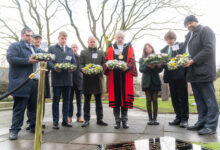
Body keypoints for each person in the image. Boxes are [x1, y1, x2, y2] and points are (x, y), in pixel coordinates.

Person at [183, 15, 219, 135]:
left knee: (209, 100)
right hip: (193, 74)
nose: (189, 25)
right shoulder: (189, 36)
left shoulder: (205, 30)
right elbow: (188, 52)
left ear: (196, 21)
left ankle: (211, 126)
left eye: (191, 22)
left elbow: (209, 48)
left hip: (204, 72)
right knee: (199, 100)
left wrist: (193, 60)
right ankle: (202, 122)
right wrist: (182, 58)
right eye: (187, 24)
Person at [7, 27, 39, 140]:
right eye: (27, 35)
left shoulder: (34, 48)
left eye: (31, 36)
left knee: (33, 107)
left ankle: (34, 127)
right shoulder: (15, 46)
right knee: (19, 108)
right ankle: (14, 130)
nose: (30, 38)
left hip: (35, 82)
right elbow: (11, 58)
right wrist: (28, 60)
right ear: (22, 35)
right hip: (21, 83)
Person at [104, 31, 137, 129]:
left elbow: (132, 60)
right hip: (115, 77)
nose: (120, 39)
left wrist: (127, 67)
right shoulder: (111, 47)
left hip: (125, 76)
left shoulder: (129, 47)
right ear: (115, 38)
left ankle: (125, 121)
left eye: (122, 37)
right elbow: (107, 60)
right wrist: (110, 65)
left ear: (124, 38)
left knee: (125, 99)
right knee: (116, 100)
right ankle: (117, 121)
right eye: (118, 37)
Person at [48, 31, 76, 129]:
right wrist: (54, 68)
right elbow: (48, 61)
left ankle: (65, 120)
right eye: (62, 38)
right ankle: (55, 121)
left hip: (68, 79)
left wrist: (71, 68)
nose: (63, 40)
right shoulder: (52, 48)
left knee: (67, 101)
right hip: (57, 79)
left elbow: (74, 63)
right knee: (56, 101)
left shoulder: (70, 50)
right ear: (58, 38)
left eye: (65, 39)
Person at [161, 31, 189, 128]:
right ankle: (178, 117)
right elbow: (163, 64)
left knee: (183, 97)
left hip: (180, 75)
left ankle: (184, 119)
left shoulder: (181, 46)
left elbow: (185, 57)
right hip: (170, 76)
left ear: (174, 39)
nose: (169, 41)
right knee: (174, 97)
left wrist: (179, 57)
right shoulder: (163, 50)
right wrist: (162, 64)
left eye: (171, 39)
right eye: (167, 39)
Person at [79, 36, 108, 127]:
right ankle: (86, 120)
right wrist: (82, 69)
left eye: (94, 42)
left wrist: (101, 68)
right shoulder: (83, 52)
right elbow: (80, 65)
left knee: (98, 101)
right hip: (87, 80)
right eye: (91, 41)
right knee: (87, 101)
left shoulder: (100, 52)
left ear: (96, 42)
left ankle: (100, 119)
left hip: (97, 79)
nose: (92, 43)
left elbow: (104, 64)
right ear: (88, 42)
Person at [25, 34, 51, 131]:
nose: (38, 41)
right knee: (31, 102)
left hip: (43, 79)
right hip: (32, 79)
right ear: (33, 40)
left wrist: (47, 61)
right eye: (36, 39)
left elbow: (50, 64)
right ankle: (31, 122)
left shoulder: (45, 52)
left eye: (39, 39)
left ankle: (40, 120)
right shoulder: (30, 51)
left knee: (41, 101)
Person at [139, 43, 162, 125]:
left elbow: (160, 70)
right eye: (146, 48)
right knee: (148, 100)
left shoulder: (157, 58)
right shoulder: (142, 59)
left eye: (149, 47)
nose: (148, 49)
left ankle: (155, 119)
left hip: (155, 81)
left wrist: (157, 67)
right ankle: (150, 119)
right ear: (144, 50)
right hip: (146, 82)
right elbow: (141, 69)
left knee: (155, 100)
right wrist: (148, 66)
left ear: (152, 48)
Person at [68, 43, 83, 123]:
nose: (74, 48)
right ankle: (69, 116)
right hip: (70, 81)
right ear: (71, 48)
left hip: (79, 81)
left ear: (78, 48)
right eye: (73, 47)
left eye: (76, 47)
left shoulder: (80, 57)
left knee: (79, 101)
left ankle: (79, 116)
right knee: (69, 100)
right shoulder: (68, 57)